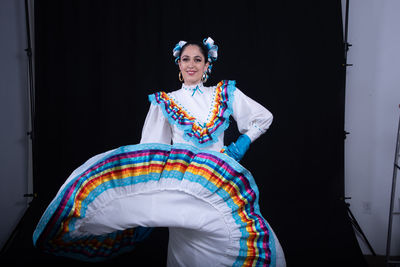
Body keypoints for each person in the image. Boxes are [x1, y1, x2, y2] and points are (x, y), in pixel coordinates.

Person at [33, 37, 286, 266]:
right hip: (182, 189)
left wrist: (240, 145)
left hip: (219, 185)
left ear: (207, 64)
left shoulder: (223, 93)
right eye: (186, 59)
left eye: (198, 59)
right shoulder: (167, 101)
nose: (191, 64)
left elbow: (263, 118)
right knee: (187, 251)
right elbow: (151, 151)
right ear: (178, 64)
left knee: (233, 239)